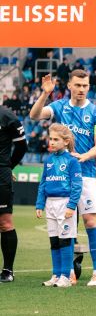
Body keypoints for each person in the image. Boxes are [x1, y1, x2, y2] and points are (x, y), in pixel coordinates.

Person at [30, 69, 96, 286]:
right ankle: (67, 273)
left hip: (87, 174)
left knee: (90, 221)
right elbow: (34, 115)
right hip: (63, 177)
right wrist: (45, 94)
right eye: (78, 85)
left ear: (89, 87)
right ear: (70, 86)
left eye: (85, 85)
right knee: (65, 222)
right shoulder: (59, 106)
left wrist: (84, 156)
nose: (82, 89)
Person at [36, 124, 82, 288]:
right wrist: (40, 204)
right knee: (54, 241)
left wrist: (71, 206)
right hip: (50, 204)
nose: (52, 142)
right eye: (51, 139)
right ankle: (56, 275)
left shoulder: (72, 161)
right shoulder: (48, 160)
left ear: (66, 141)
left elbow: (77, 185)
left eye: (56, 139)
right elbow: (43, 184)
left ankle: (65, 276)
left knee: (65, 241)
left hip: (65, 204)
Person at [0, 103, 27, 282]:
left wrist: (9, 167)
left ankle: (8, 271)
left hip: (0, 176)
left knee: (5, 223)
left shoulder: (7, 116)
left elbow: (22, 147)